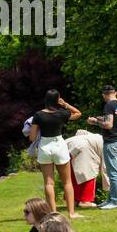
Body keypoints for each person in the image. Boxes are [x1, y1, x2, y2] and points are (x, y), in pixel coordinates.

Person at [28, 89, 83, 217]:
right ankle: (71, 213)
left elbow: (32, 137)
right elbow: (78, 113)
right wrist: (65, 104)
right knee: (67, 182)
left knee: (48, 183)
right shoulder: (62, 113)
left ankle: (53, 213)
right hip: (59, 145)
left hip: (45, 147)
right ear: (57, 99)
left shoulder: (38, 115)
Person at [86, 84, 117, 209]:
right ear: (116, 92)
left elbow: (108, 125)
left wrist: (95, 121)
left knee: (113, 173)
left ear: (104, 95)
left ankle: (116, 201)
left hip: (112, 142)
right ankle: (110, 199)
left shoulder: (109, 105)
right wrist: (102, 118)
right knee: (114, 172)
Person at [66, 130, 104, 210]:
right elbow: (105, 168)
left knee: (73, 174)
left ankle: (73, 200)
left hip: (69, 145)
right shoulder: (105, 143)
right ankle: (85, 201)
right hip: (83, 147)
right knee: (90, 172)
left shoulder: (96, 136)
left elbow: (79, 131)